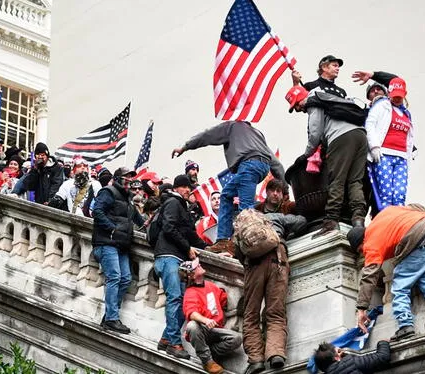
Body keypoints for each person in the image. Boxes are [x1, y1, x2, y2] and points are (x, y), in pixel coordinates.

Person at [172, 121, 285, 255]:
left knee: (246, 209)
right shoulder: (257, 134)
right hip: (261, 167)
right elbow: (276, 163)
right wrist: (285, 185)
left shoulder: (232, 126)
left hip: (247, 165)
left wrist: (185, 147)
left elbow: (207, 135)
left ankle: (246, 244)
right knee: (225, 195)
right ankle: (223, 241)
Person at [347, 204, 425, 342]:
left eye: (360, 250)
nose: (363, 253)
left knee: (399, 287)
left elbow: (369, 276)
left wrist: (361, 308)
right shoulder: (383, 215)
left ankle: (405, 325)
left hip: (415, 239)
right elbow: (417, 207)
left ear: (360, 242)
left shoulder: (370, 241)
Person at [288, 83, 368, 237]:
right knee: (355, 181)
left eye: (297, 104)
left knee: (336, 180)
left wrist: (306, 154)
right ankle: (358, 220)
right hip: (360, 135)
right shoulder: (328, 98)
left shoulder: (313, 100)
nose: (298, 109)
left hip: (341, 137)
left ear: (301, 97)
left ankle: (331, 221)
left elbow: (315, 133)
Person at [235, 210, 306, 374]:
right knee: (275, 313)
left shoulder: (239, 227)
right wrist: (287, 235)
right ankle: (275, 354)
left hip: (254, 268)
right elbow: (301, 221)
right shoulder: (276, 218)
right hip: (278, 262)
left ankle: (256, 360)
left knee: (251, 315)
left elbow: (239, 254)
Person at [154, 174, 207, 359]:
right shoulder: (173, 203)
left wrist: (209, 249)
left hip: (177, 258)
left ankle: (167, 339)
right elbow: (169, 228)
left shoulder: (183, 207)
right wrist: (188, 248)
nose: (188, 190)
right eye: (184, 187)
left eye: (189, 187)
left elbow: (190, 234)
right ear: (177, 188)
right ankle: (175, 344)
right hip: (168, 256)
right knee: (175, 298)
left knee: (182, 300)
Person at [91, 167, 145, 334]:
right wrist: (112, 229)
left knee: (126, 279)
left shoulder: (128, 200)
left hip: (121, 244)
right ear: (117, 178)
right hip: (106, 242)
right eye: (127, 178)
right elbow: (97, 211)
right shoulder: (108, 192)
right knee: (114, 277)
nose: (130, 181)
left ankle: (109, 315)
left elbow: (140, 221)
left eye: (131, 178)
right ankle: (112, 319)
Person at [181, 257, 242, 374]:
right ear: (192, 276)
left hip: (216, 330)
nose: (199, 265)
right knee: (192, 326)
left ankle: (208, 352)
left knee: (237, 338)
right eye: (196, 266)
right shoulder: (190, 293)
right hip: (203, 330)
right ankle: (207, 361)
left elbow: (223, 299)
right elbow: (191, 313)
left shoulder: (210, 285)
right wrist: (206, 320)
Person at [361, 77, 414, 209]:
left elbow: (409, 137)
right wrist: (374, 146)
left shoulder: (406, 113)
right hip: (384, 154)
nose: (397, 98)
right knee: (386, 193)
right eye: (395, 95)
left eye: (400, 96)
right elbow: (370, 124)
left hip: (401, 157)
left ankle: (399, 218)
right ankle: (388, 218)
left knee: (400, 194)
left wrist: (409, 155)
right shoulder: (382, 106)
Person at [313, 340, 391, 373]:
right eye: (339, 351)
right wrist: (383, 342)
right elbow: (383, 357)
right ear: (336, 357)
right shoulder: (351, 362)